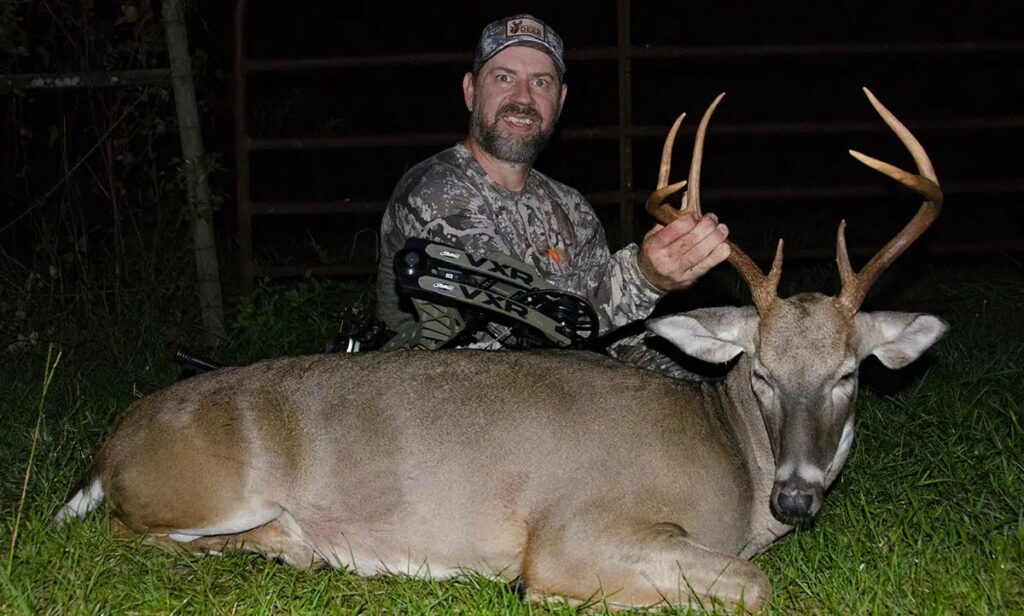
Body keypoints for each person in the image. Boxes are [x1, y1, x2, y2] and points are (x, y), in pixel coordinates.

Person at [375, 14, 730, 365]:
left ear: (559, 101)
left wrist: (689, 384)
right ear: (470, 91)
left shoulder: (571, 208)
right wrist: (645, 276)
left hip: (556, 395)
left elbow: (614, 337)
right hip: (447, 399)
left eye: (541, 83)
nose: (523, 99)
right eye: (503, 78)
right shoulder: (435, 190)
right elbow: (513, 322)